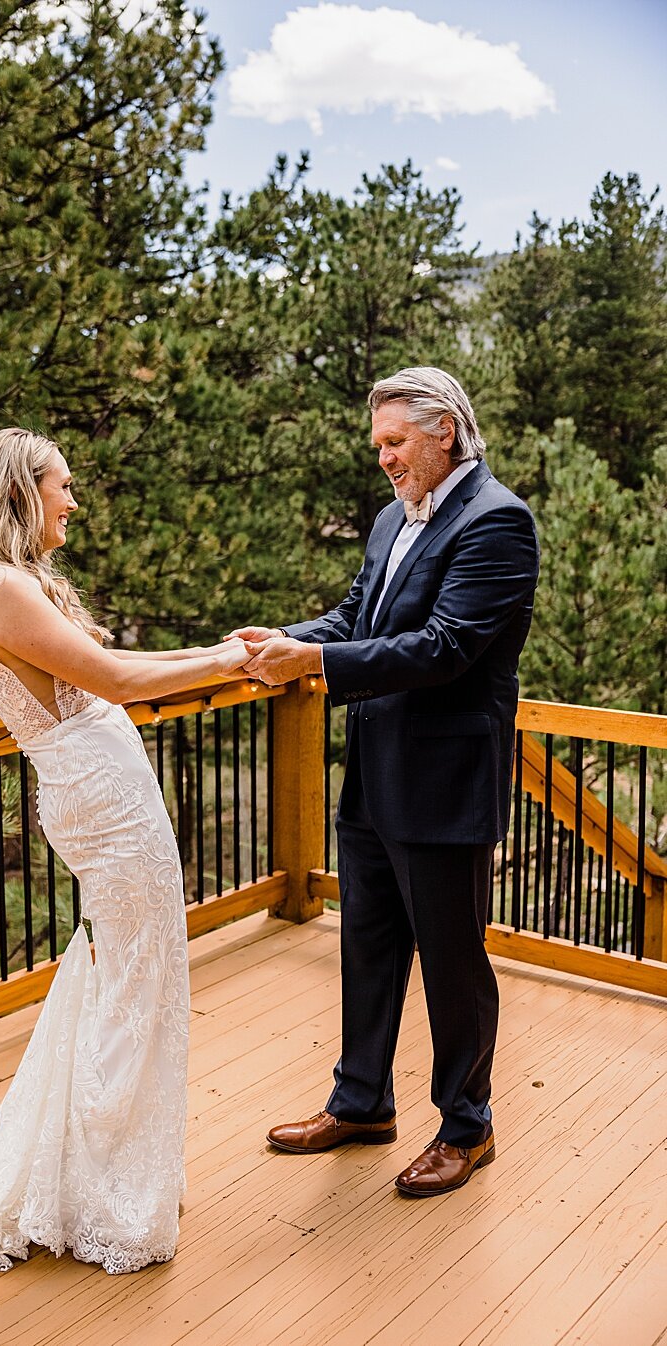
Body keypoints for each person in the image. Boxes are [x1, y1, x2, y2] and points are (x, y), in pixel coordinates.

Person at [0, 428, 253, 1276]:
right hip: (101, 804)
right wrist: (227, 661)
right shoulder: (1, 587)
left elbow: (111, 663)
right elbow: (118, 684)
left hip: (97, 792)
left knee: (124, 970)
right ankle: (102, 1186)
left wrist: (222, 654)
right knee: (136, 979)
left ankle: (108, 1164)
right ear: (19, 492)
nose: (73, 501)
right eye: (61, 486)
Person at [236, 367, 538, 1197]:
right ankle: (362, 1101)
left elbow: (444, 648)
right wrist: (283, 640)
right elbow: (356, 616)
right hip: (373, 777)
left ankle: (467, 1127)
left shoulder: (498, 522)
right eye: (378, 445)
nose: (384, 460)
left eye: (395, 443)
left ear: (446, 432)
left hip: (444, 784)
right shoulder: (390, 519)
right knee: (367, 948)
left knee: (451, 962)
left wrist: (319, 664)